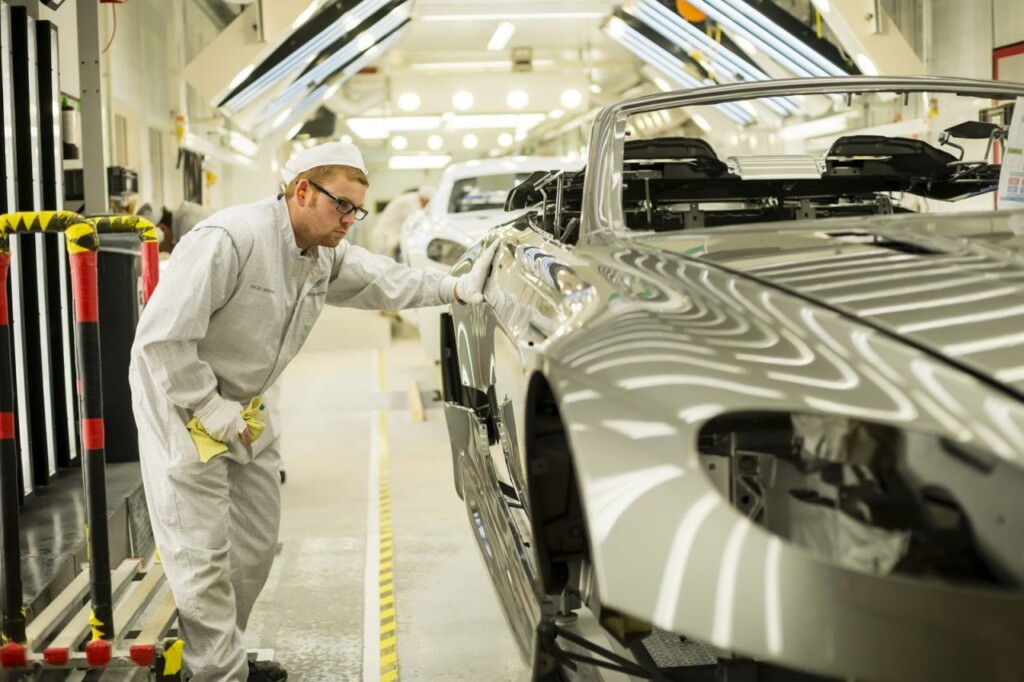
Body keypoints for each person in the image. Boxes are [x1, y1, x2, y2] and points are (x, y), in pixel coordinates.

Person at [128, 141, 496, 682]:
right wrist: (207, 405)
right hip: (183, 405)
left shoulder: (321, 251)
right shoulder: (230, 239)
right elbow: (160, 341)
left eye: (357, 209)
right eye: (341, 205)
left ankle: (223, 653)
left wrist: (455, 287)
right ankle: (217, 675)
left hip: (246, 406)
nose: (350, 220)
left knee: (253, 545)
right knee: (200, 554)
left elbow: (380, 279)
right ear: (302, 189)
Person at [371, 184, 434, 258]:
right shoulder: (411, 201)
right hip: (386, 235)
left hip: (392, 234)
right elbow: (417, 221)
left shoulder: (412, 198)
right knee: (383, 262)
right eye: (427, 202)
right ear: (425, 199)